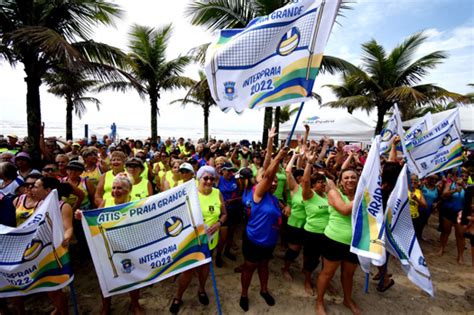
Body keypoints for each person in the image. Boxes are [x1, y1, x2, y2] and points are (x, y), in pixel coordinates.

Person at [76, 175, 144, 314]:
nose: (115, 191)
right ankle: (106, 306)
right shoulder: (106, 202)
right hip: (107, 247)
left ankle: (135, 304)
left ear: (129, 189)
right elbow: (94, 218)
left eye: (120, 188)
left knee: (132, 275)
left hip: (128, 247)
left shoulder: (136, 204)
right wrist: (82, 216)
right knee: (105, 277)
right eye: (113, 187)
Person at [170, 166, 227, 314]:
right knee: (188, 271)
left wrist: (219, 223)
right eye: (205, 178)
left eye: (212, 178)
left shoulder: (217, 193)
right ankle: (178, 297)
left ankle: (201, 290)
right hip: (193, 240)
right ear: (198, 178)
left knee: (204, 268)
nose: (209, 181)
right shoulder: (191, 192)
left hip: (210, 239)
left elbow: (224, 214)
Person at [239, 146, 289, 312]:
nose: (273, 182)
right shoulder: (257, 193)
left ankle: (264, 290)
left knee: (264, 266)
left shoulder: (274, 199)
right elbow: (267, 176)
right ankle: (244, 294)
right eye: (271, 180)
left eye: (276, 181)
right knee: (249, 267)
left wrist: (286, 208)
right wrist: (278, 157)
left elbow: (282, 211)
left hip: (269, 241)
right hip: (253, 239)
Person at [316, 168, 361, 315]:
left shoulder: (361, 195)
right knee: (327, 273)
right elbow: (344, 209)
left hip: (355, 243)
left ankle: (347, 300)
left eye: (353, 177)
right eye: (346, 178)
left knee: (348, 275)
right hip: (334, 240)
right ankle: (319, 302)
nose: (350, 180)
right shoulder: (334, 193)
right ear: (340, 181)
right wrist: (364, 194)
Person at [301, 151, 330, 296]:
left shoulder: (326, 196)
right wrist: (309, 163)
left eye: (324, 181)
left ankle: (323, 281)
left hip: (327, 233)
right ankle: (307, 280)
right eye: (319, 182)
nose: (323, 184)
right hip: (312, 233)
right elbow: (305, 182)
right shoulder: (309, 195)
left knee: (325, 260)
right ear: (313, 185)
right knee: (311, 259)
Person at [281, 151, 305, 282]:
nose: (303, 178)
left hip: (309, 226)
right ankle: (286, 268)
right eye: (300, 176)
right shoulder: (295, 189)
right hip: (295, 224)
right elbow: (288, 171)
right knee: (293, 250)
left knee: (306, 251)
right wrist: (295, 156)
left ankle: (305, 270)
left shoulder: (315, 190)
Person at [438, 169, 468, 264]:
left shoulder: (468, 188)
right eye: (461, 176)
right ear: (456, 176)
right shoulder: (450, 184)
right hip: (448, 211)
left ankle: (460, 255)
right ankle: (442, 248)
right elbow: (444, 194)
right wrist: (454, 190)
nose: (463, 178)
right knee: (445, 231)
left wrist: (464, 187)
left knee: (460, 235)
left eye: (466, 176)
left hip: (460, 213)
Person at [216, 162, 240, 267]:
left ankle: (227, 251)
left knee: (231, 234)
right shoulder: (219, 179)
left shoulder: (236, 180)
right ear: (223, 170)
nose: (231, 173)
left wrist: (233, 200)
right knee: (223, 236)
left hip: (235, 210)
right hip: (223, 212)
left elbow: (242, 195)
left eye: (232, 171)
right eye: (228, 170)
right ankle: (218, 256)